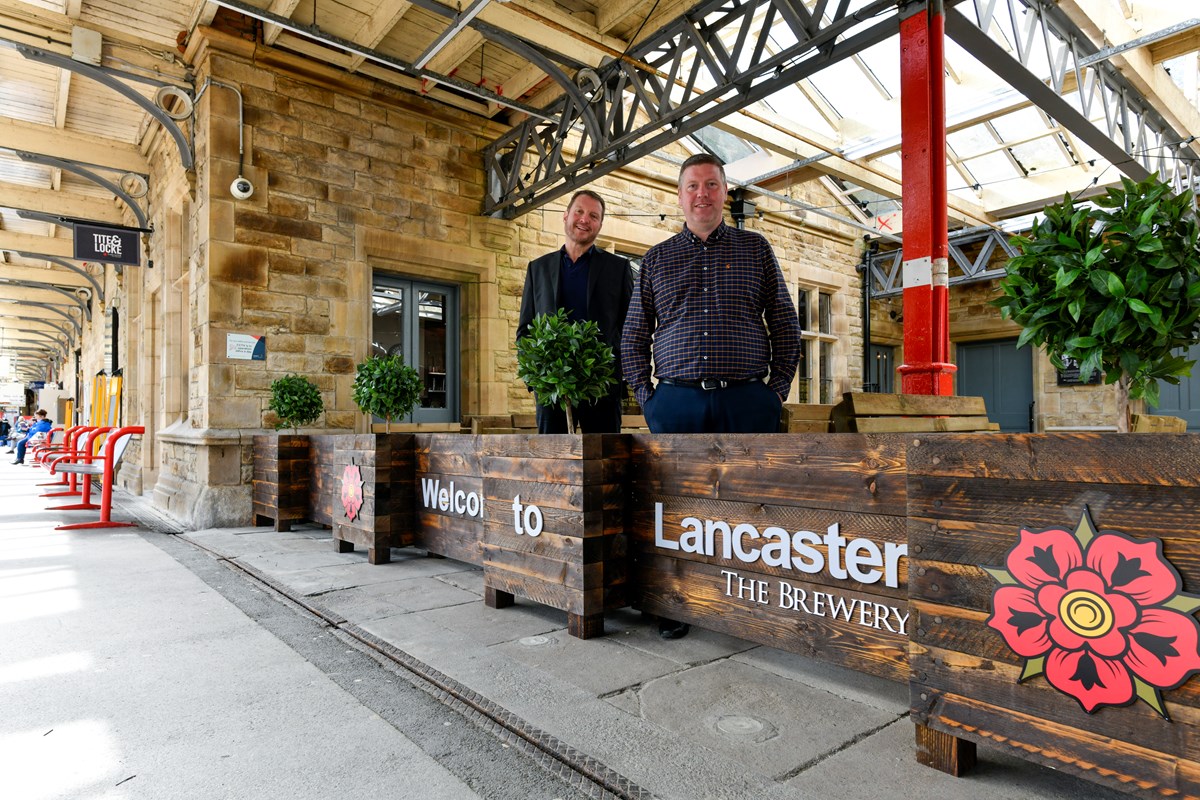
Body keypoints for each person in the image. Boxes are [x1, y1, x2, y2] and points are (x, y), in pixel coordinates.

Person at [621, 153, 802, 637]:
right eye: (692, 186)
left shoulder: (755, 249)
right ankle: (673, 605)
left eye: (711, 184)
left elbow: (785, 323)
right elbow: (633, 336)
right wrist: (649, 397)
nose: (702, 193)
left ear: (725, 192)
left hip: (747, 400)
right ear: (680, 196)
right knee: (674, 508)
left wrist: (775, 393)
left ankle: (751, 607)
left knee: (751, 507)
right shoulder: (657, 259)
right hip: (676, 404)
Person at [517, 189, 635, 433]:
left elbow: (631, 329)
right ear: (565, 215)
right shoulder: (538, 269)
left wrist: (619, 375)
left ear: (600, 224)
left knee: (604, 463)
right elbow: (525, 331)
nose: (584, 219)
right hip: (552, 391)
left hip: (602, 388)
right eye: (579, 211)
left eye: (593, 216)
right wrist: (536, 382)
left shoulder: (618, 268)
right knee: (553, 465)